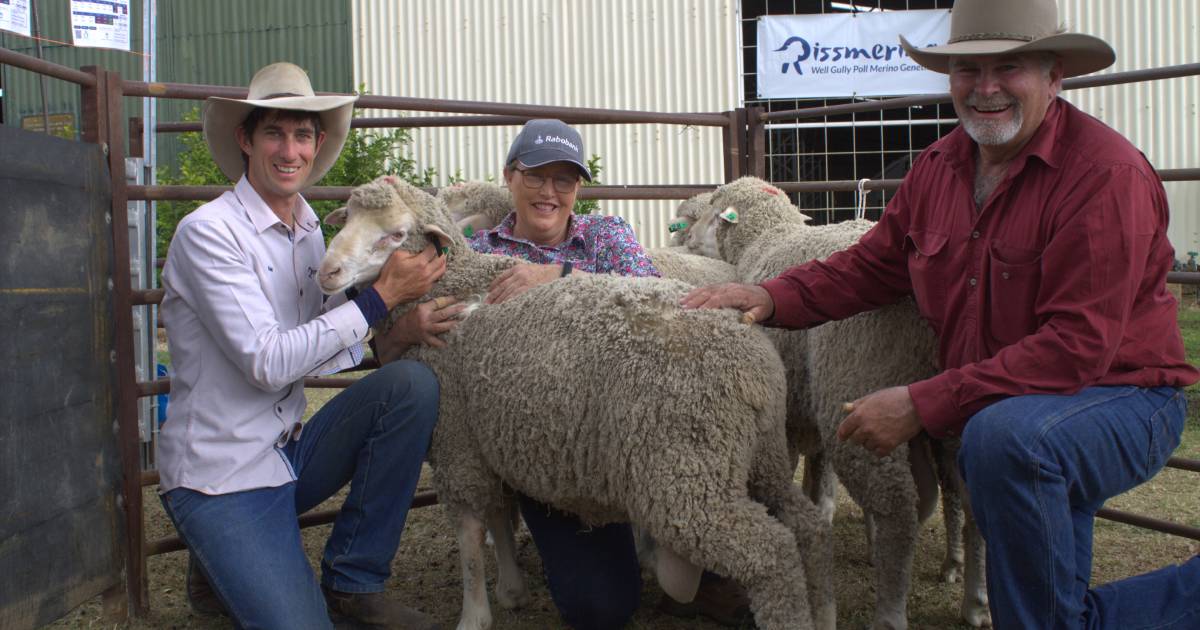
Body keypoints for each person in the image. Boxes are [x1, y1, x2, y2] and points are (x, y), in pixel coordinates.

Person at [683, 0, 1200, 627]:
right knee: (1041, 598)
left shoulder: (1104, 177)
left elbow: (1076, 347)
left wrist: (922, 403)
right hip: (1013, 404)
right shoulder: (940, 168)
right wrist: (771, 295)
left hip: (1122, 396)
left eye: (1007, 67)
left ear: (1053, 75)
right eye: (965, 69)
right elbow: (873, 265)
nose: (985, 89)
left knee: (1001, 444)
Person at [158, 62, 445, 629]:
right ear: (245, 138)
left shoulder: (310, 230)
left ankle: (355, 583)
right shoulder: (209, 233)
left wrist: (394, 329)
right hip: (225, 473)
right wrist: (379, 300)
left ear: (317, 145)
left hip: (288, 451)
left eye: (303, 134)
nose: (290, 150)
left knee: (410, 386)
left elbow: (326, 345)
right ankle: (220, 549)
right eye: (275, 132)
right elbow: (269, 362)